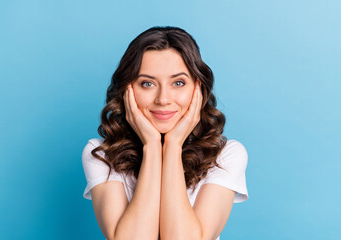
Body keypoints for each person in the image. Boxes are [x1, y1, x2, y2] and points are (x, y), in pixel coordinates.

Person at [82, 26, 248, 240]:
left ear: (197, 89)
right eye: (147, 83)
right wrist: (151, 146)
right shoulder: (101, 153)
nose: (163, 99)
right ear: (127, 90)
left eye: (178, 83)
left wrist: (172, 146)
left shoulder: (226, 155)